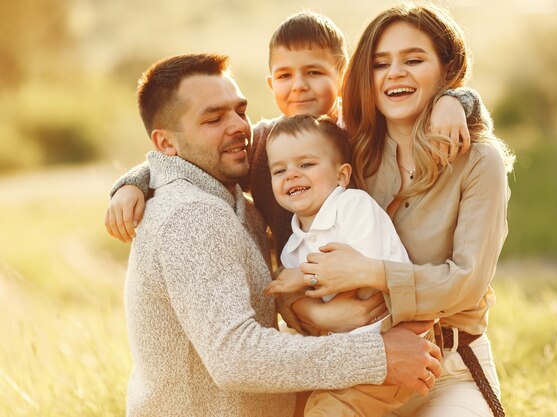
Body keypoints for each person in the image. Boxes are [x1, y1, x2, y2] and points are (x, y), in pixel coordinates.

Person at [123, 52, 442, 417]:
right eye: (213, 118)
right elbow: (237, 358)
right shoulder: (192, 214)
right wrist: (379, 356)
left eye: (240, 111)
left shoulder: (237, 205)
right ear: (166, 144)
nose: (239, 128)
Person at [104, 10, 480, 264]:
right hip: (301, 287)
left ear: (344, 77)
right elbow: (194, 153)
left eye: (314, 72)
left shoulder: (363, 127)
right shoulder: (263, 142)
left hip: (378, 276)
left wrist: (454, 101)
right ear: (271, 83)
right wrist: (133, 182)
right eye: (284, 76)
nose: (299, 87)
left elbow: (432, 119)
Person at [290, 4, 516, 417]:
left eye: (414, 60)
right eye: (381, 64)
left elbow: (465, 282)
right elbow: (260, 141)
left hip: (449, 369)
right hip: (364, 367)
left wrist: (369, 272)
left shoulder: (481, 162)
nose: (395, 73)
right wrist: (140, 178)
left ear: (447, 71)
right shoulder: (348, 153)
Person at [264, 113, 437, 417]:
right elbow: (299, 308)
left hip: (396, 344)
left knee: (326, 412)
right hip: (351, 356)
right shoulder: (293, 246)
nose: (291, 174)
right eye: (279, 170)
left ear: (342, 175)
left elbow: (357, 272)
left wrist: (300, 278)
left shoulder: (353, 206)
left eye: (306, 165)